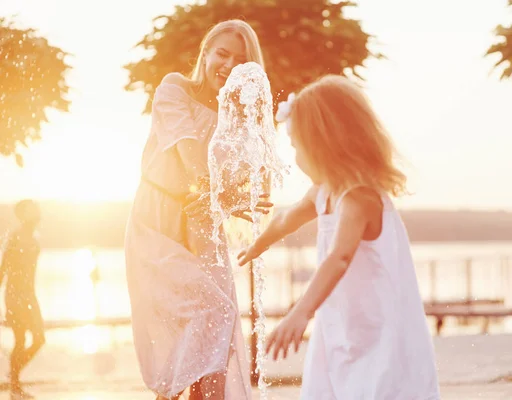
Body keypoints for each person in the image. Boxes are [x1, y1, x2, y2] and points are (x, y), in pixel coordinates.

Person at [237, 75, 441, 399]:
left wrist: (301, 311)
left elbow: (339, 257)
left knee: (376, 389)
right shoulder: (323, 191)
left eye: (297, 147)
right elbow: (287, 218)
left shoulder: (358, 198)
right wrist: (259, 243)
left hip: (379, 329)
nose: (295, 159)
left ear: (324, 143)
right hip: (340, 324)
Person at [124, 19, 271, 400]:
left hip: (205, 228)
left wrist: (241, 200)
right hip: (159, 221)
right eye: (221, 53)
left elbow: (244, 183)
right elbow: (190, 155)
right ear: (205, 53)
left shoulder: (238, 118)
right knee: (206, 319)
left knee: (217, 336)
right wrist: (220, 194)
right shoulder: (174, 89)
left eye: (239, 61)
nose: (227, 65)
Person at [0, 200, 45, 400]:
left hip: (30, 295)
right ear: (23, 215)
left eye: (36, 209)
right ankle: (15, 386)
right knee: (20, 340)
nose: (37, 212)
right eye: (31, 210)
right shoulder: (16, 238)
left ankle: (14, 375)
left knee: (39, 339)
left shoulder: (34, 237)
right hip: (15, 295)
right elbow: (2, 270)